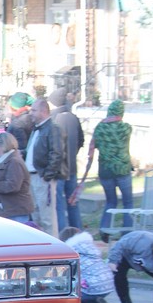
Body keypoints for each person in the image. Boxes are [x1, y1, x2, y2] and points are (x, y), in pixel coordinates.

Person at [75, 100, 133, 242]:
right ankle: (127, 233)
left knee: (110, 201)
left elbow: (95, 147)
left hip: (105, 171)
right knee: (128, 203)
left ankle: (104, 230)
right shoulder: (126, 128)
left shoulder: (99, 128)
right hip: (123, 170)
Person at [24, 98, 66, 236]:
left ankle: (54, 251)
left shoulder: (53, 128)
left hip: (42, 177)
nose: (31, 113)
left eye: (34, 110)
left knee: (47, 217)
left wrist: (48, 175)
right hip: (32, 176)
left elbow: (57, 153)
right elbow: (34, 150)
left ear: (43, 111)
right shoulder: (36, 129)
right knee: (35, 216)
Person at [59, 226, 117, 303]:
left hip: (92, 287)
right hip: (108, 284)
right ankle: (95, 300)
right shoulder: (90, 249)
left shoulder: (71, 253)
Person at [49, 88, 85, 230]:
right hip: (72, 168)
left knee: (58, 205)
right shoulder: (73, 117)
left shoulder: (53, 119)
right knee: (73, 202)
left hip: (58, 170)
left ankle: (63, 235)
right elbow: (81, 140)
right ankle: (78, 231)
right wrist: (73, 153)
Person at [0, 132, 34, 223]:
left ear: (3, 146)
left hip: (15, 213)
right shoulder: (1, 161)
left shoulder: (14, 162)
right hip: (6, 211)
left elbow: (12, 186)